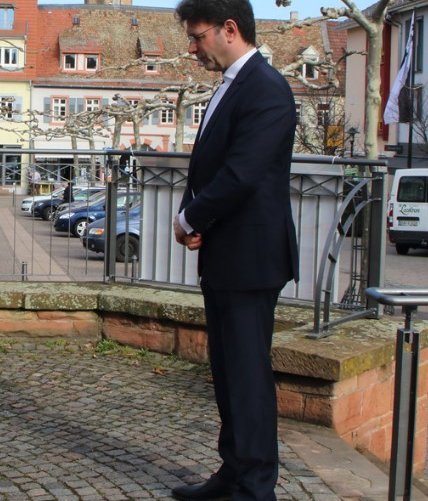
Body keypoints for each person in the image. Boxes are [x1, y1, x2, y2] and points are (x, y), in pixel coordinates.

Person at [170, 1, 299, 500]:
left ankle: (255, 486)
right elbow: (208, 165)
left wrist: (190, 218)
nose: (192, 47)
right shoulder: (232, 86)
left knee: (247, 375)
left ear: (229, 29)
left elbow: (242, 174)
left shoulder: (267, 89)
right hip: (226, 253)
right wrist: (192, 214)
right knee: (226, 373)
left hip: (251, 258)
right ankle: (234, 472)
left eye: (198, 36)